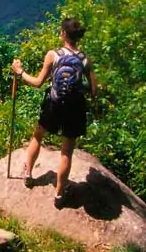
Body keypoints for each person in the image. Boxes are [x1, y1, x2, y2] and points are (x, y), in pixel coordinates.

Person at [11, 17, 97, 208]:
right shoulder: (85, 60)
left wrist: (19, 72)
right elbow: (93, 91)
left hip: (54, 105)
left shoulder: (53, 55)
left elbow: (38, 82)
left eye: (61, 31)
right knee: (66, 152)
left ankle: (28, 174)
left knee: (38, 135)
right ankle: (59, 195)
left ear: (64, 34)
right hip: (74, 109)